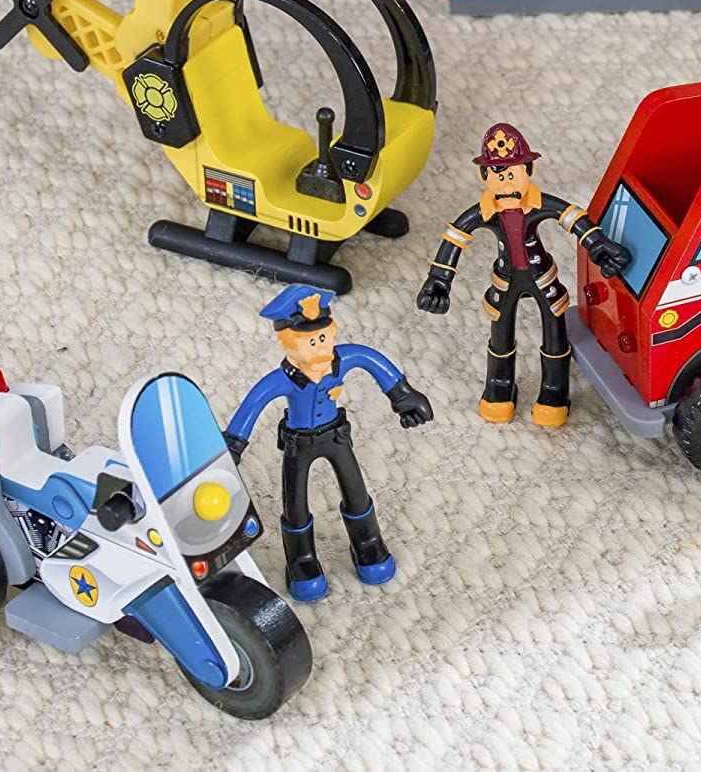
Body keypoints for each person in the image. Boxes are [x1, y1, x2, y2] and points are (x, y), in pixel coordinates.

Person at [224, 285, 432, 601]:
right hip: (299, 445)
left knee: (355, 489)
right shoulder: (284, 379)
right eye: (311, 341)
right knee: (295, 502)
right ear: (287, 343)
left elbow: (370, 359)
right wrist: (233, 445)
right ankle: (301, 559)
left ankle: (368, 544)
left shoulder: (340, 360)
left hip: (336, 436)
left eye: (323, 337)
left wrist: (402, 395)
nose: (320, 347)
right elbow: (253, 403)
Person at [417, 122, 630, 427]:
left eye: (512, 171)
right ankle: (499, 387)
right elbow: (456, 236)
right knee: (500, 333)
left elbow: (572, 216)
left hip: (543, 279)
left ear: (529, 170)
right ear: (483, 176)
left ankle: (555, 392)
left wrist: (597, 244)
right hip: (505, 282)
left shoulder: (538, 204)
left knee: (554, 332)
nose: (505, 180)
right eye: (497, 173)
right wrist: (440, 278)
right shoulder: (486, 211)